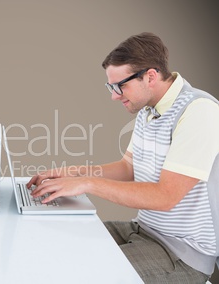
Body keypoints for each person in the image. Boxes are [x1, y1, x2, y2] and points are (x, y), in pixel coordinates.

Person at [27, 32, 219, 283]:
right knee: (60, 243)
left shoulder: (199, 111)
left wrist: (87, 184)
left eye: (121, 86)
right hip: (143, 230)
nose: (114, 95)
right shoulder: (148, 110)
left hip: (181, 254)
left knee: (80, 273)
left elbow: (166, 197)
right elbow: (128, 167)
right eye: (111, 86)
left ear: (150, 76)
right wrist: (71, 173)